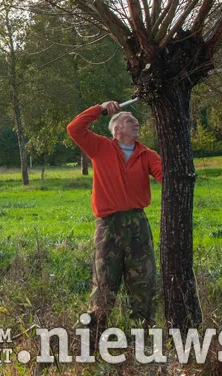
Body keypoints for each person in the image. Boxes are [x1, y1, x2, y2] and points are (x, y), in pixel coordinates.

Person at [67, 101, 162, 331]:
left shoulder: (147, 154)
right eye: (130, 120)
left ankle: (143, 334)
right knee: (104, 282)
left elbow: (165, 175)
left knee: (143, 281)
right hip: (108, 226)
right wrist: (100, 109)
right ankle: (94, 335)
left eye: (136, 121)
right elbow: (74, 128)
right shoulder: (100, 147)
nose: (136, 123)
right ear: (116, 129)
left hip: (138, 224)